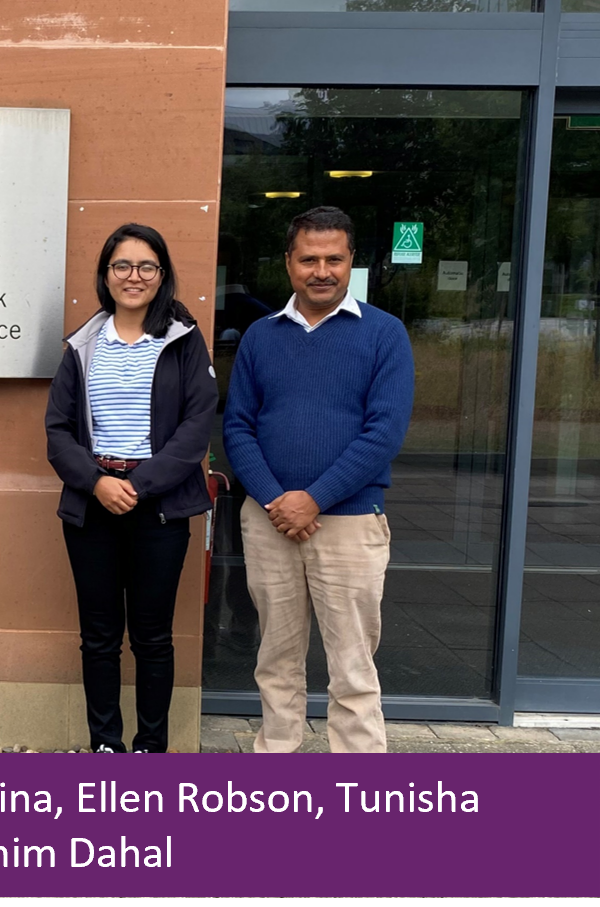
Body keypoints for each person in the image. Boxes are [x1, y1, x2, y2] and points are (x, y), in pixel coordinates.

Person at [223, 206, 413, 754]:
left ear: (352, 261)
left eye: (334, 258)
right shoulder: (262, 335)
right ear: (289, 264)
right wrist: (278, 500)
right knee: (275, 663)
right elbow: (236, 426)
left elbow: (384, 433)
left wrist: (314, 499)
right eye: (309, 259)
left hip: (350, 524)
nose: (321, 270)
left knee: (352, 669)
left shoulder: (384, 334)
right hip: (269, 522)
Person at [44, 224, 216, 754]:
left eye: (146, 266)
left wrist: (137, 486)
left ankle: (150, 748)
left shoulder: (182, 339)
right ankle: (106, 747)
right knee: (98, 639)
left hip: (158, 507)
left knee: (152, 638)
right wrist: (97, 482)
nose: (133, 276)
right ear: (106, 274)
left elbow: (196, 427)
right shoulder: (83, 343)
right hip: (93, 505)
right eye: (122, 266)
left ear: (161, 276)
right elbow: (57, 429)